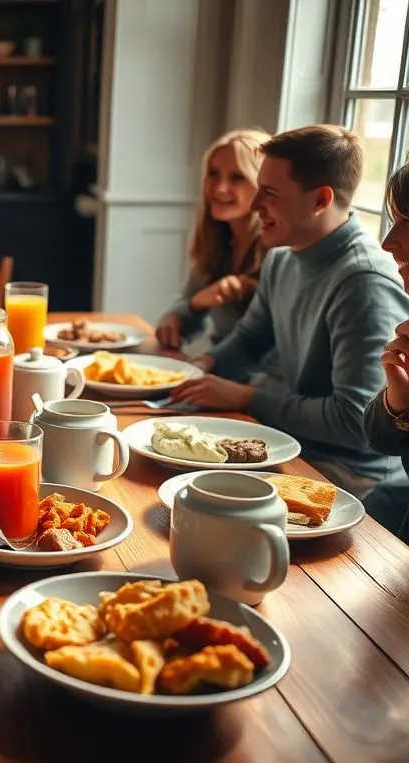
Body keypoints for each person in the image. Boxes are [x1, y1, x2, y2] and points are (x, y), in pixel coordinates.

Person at [171, 125, 409, 498]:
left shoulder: (364, 282)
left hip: (353, 477)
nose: (253, 206)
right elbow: (249, 341)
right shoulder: (280, 260)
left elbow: (354, 422)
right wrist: (201, 366)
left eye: (269, 193)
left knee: (189, 497)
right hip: (295, 444)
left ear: (319, 200)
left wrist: (246, 397)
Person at [157, 129, 271, 350]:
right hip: (219, 371)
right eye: (213, 173)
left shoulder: (279, 254)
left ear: (265, 186)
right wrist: (190, 306)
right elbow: (186, 306)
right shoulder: (217, 243)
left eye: (237, 177)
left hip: (257, 382)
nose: (219, 188)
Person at [363, 161, 409, 535]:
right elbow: (380, 436)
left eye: (408, 223)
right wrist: (399, 402)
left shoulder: (366, 281)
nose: (388, 242)